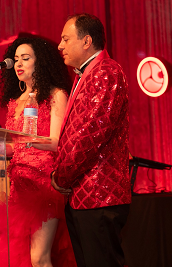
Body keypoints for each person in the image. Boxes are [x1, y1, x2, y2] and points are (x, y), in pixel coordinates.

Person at [0, 36, 75, 267]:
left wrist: (24, 141)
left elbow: (55, 142)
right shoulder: (16, 101)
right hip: (18, 186)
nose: (18, 64)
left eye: (25, 58)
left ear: (40, 62)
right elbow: (16, 148)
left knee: (39, 258)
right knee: (20, 257)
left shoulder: (55, 94)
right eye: (16, 59)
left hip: (44, 186)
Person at [51, 13, 132, 267]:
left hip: (99, 194)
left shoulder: (106, 71)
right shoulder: (84, 74)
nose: (60, 45)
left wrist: (61, 176)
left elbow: (90, 135)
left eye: (66, 39)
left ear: (86, 41)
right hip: (84, 194)